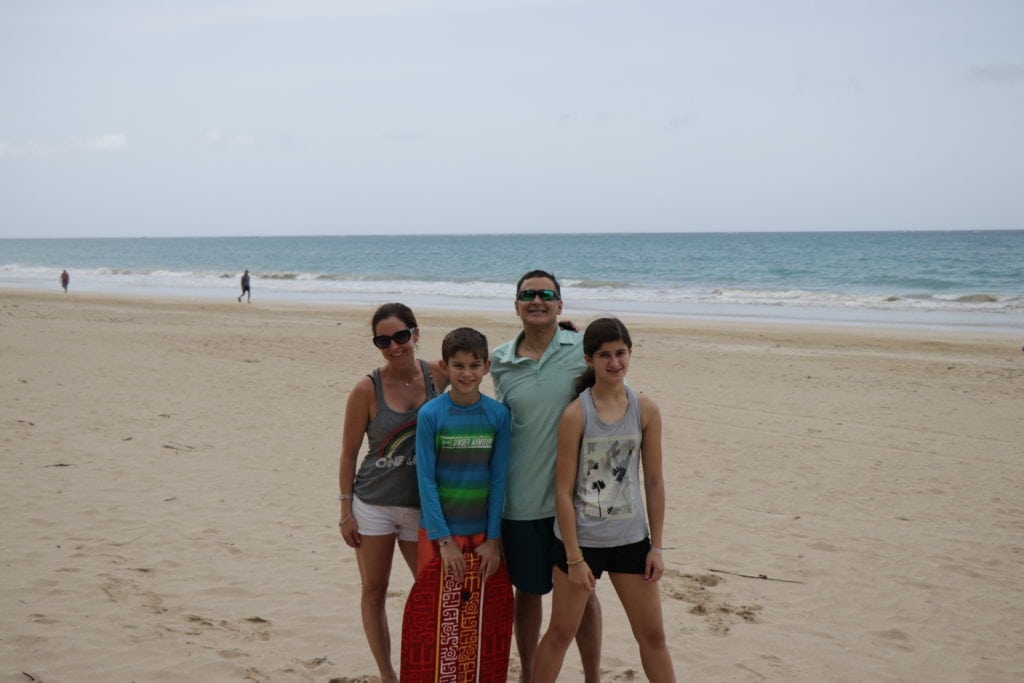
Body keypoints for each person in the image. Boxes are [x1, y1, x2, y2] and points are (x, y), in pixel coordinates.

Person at [533, 318, 674, 682]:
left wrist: (656, 547)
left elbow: (655, 482)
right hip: (582, 545)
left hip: (631, 542)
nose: (615, 363)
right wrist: (575, 558)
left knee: (654, 637)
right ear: (589, 359)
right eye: (605, 355)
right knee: (560, 634)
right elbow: (562, 492)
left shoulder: (646, 410)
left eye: (621, 353)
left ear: (630, 353)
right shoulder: (576, 414)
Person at [490, 270, 602, 682]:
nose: (536, 300)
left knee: (584, 594)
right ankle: (529, 675)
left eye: (545, 295)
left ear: (560, 304)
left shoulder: (582, 348)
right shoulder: (499, 359)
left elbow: (615, 366)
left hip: (577, 503)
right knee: (529, 593)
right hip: (520, 500)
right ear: (516, 305)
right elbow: (452, 369)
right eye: (527, 295)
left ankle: (593, 676)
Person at [338, 303, 447, 683]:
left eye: (401, 336)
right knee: (374, 591)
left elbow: (482, 359)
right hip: (374, 505)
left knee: (434, 592)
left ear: (415, 334)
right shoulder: (366, 389)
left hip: (422, 506)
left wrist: (565, 332)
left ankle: (430, 668)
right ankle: (388, 675)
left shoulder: (438, 374)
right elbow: (350, 453)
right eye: (383, 340)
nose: (394, 346)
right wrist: (345, 510)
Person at [415, 327, 510, 582]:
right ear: (444, 366)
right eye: (458, 366)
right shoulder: (430, 414)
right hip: (438, 533)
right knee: (439, 613)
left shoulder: (498, 415)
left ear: (486, 367)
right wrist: (444, 540)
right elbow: (425, 479)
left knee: (475, 615)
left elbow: (498, 479)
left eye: (474, 365)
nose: (467, 373)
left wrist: (493, 539)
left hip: (481, 533)